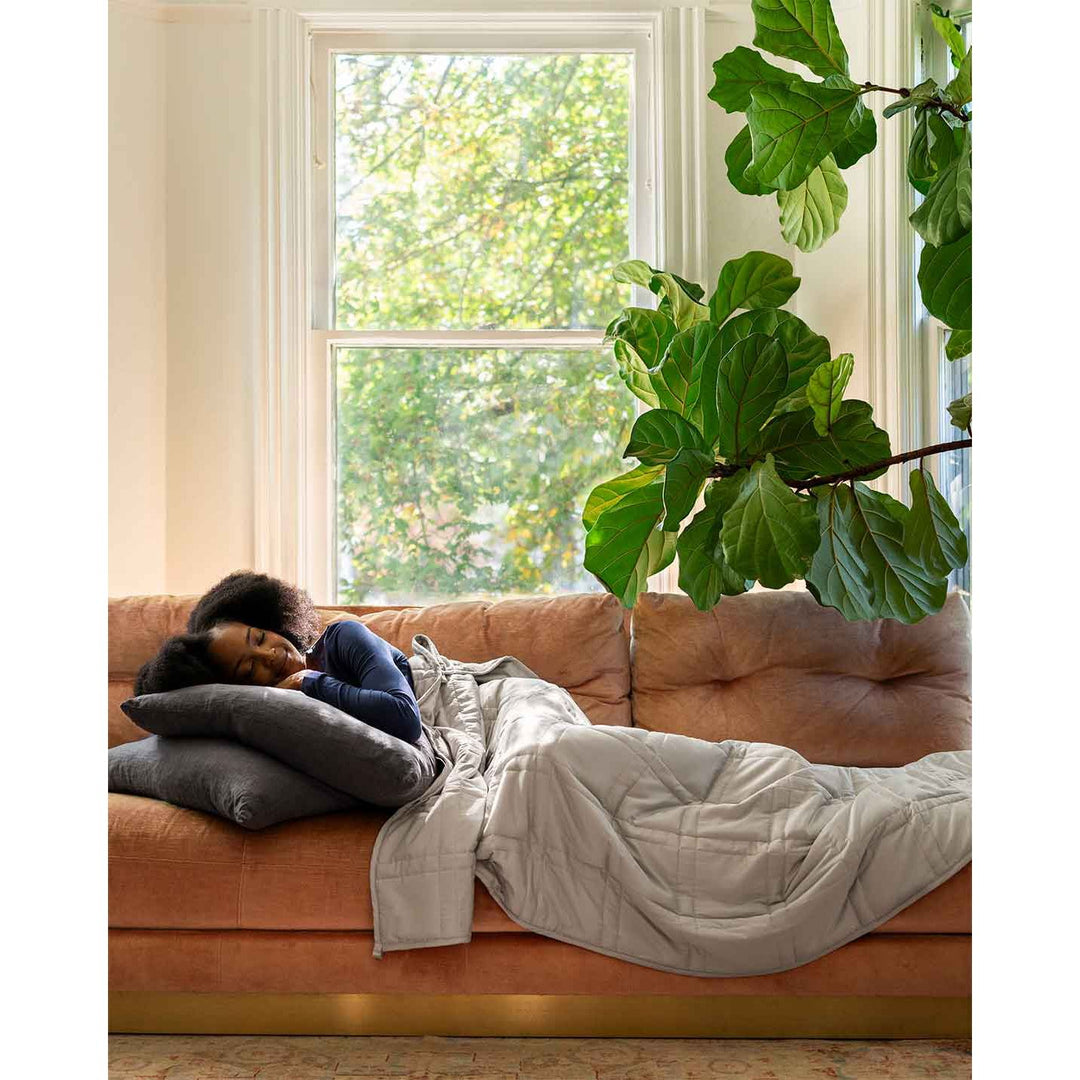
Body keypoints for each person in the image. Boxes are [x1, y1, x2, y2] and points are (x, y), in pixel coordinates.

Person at [133, 570, 424, 745]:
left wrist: (308, 682)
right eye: (249, 668)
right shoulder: (269, 712)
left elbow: (404, 718)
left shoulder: (344, 638)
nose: (270, 655)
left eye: (259, 637)